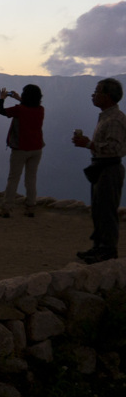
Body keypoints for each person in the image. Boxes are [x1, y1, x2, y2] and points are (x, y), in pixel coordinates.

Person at [72, 78, 126, 264]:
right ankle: (98, 247)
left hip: (109, 168)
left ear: (108, 96)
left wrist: (88, 144)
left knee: (106, 211)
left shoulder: (114, 120)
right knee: (98, 209)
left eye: (97, 92)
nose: (93, 95)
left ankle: (108, 250)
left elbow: (115, 148)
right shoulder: (107, 116)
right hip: (101, 167)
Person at [0, 85, 45, 218]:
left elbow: (1, 111)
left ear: (25, 97)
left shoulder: (19, 110)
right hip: (37, 148)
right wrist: (19, 98)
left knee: (13, 178)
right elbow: (29, 107)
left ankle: (6, 208)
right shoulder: (41, 109)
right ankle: (30, 207)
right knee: (31, 179)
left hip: (20, 148)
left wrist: (2, 99)